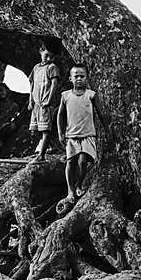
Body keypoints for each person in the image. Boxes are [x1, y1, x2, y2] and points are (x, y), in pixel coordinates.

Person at [56, 63, 109, 215]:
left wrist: (107, 130)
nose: (79, 79)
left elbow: (100, 113)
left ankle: (79, 184)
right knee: (70, 162)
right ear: (70, 78)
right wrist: (60, 133)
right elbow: (60, 115)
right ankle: (70, 191)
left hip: (88, 135)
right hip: (72, 135)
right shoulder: (65, 96)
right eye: (76, 76)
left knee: (83, 161)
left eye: (82, 76)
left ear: (86, 78)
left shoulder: (91, 95)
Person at [28, 40, 61, 163]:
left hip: (45, 103)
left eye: (51, 57)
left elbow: (54, 84)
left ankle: (41, 156)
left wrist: (49, 100)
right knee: (35, 128)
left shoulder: (52, 67)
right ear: (41, 51)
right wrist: (30, 100)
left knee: (45, 129)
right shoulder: (36, 67)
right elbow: (32, 83)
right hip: (36, 103)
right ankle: (51, 146)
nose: (48, 58)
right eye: (46, 55)